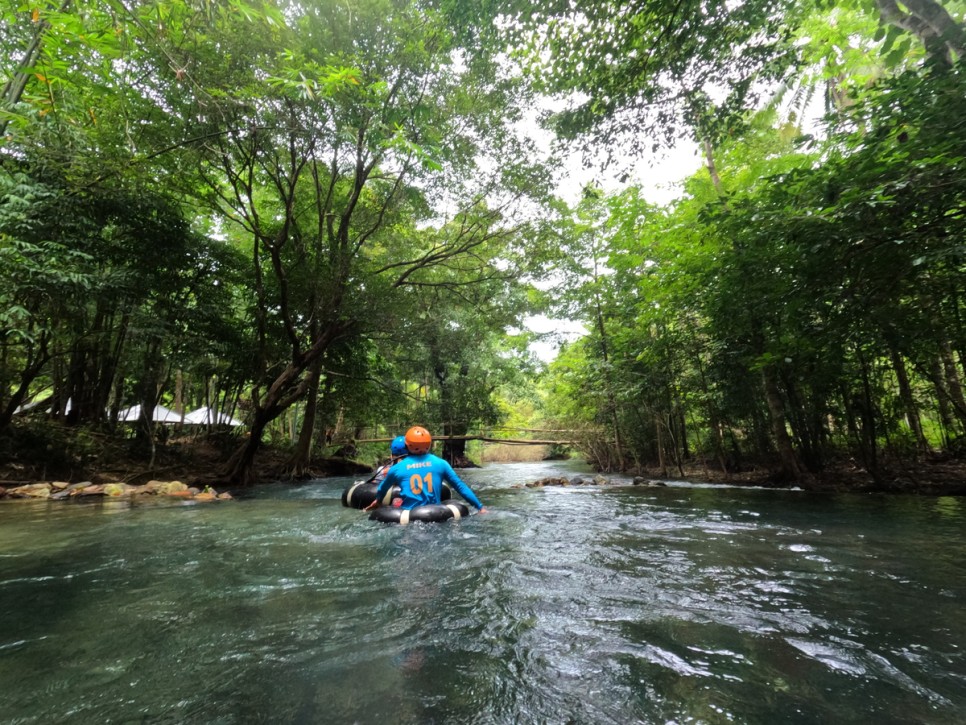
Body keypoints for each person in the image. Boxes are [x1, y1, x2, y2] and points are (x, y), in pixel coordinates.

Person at [364, 426, 488, 514]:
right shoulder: (441, 463)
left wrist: (378, 501)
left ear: (407, 445)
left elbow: (382, 489)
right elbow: (460, 487)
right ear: (429, 445)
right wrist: (480, 507)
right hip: (436, 513)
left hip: (409, 516)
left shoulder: (396, 469)